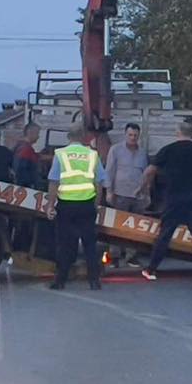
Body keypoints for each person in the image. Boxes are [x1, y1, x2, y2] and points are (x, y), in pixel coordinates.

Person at [139, 122, 192, 283]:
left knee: (165, 235)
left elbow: (149, 171)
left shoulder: (168, 150)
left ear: (177, 133)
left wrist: (143, 188)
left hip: (175, 198)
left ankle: (151, 270)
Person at [45, 124, 109, 291]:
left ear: (68, 137)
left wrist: (50, 206)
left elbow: (54, 182)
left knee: (65, 244)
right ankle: (94, 281)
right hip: (87, 204)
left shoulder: (60, 154)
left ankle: (60, 281)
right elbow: (99, 183)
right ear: (83, 137)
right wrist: (96, 204)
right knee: (89, 244)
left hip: (66, 205)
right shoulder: (92, 155)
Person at [105, 123, 149, 266]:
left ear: (139, 136)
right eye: (130, 135)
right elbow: (109, 171)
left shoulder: (142, 153)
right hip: (120, 194)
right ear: (125, 135)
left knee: (135, 229)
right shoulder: (116, 150)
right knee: (117, 227)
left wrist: (147, 194)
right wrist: (109, 191)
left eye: (135, 135)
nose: (132, 138)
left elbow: (146, 175)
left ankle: (131, 256)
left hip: (138, 196)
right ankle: (115, 256)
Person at [12, 123, 43, 189]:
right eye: (37, 133)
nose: (38, 136)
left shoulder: (23, 147)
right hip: (27, 187)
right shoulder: (26, 149)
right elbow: (21, 169)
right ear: (30, 133)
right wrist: (30, 184)